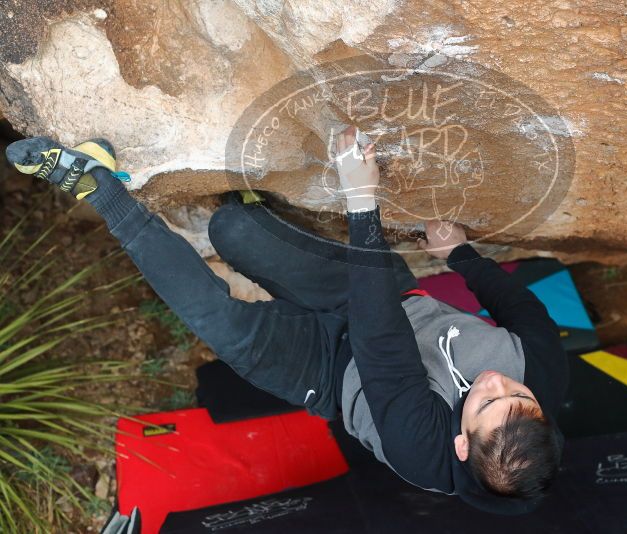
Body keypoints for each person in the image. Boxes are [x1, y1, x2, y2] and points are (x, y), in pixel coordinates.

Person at [6, 126, 568, 514]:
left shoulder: (421, 451)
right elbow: (521, 309)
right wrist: (460, 256)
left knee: (220, 323)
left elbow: (382, 344)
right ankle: (259, 212)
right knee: (234, 230)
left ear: (463, 446)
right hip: (391, 300)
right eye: (517, 395)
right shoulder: (541, 375)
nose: (496, 383)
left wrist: (360, 199)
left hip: (327, 371)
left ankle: (102, 189)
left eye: (487, 404)